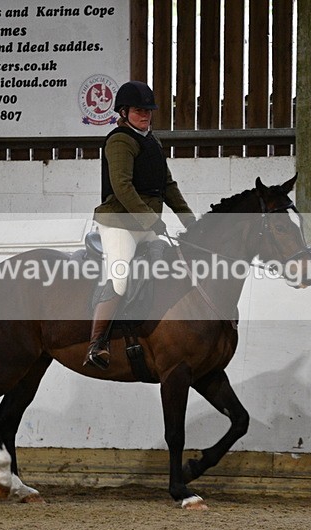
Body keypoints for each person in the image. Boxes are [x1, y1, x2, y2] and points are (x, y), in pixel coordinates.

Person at [86, 80, 196, 370]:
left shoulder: (152, 140)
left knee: (168, 265)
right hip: (119, 224)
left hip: (145, 223)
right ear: (123, 111)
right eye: (138, 110)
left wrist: (189, 219)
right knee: (120, 275)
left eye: (148, 109)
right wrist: (151, 220)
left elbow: (167, 185)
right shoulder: (120, 140)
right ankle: (97, 343)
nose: (145, 114)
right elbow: (122, 186)